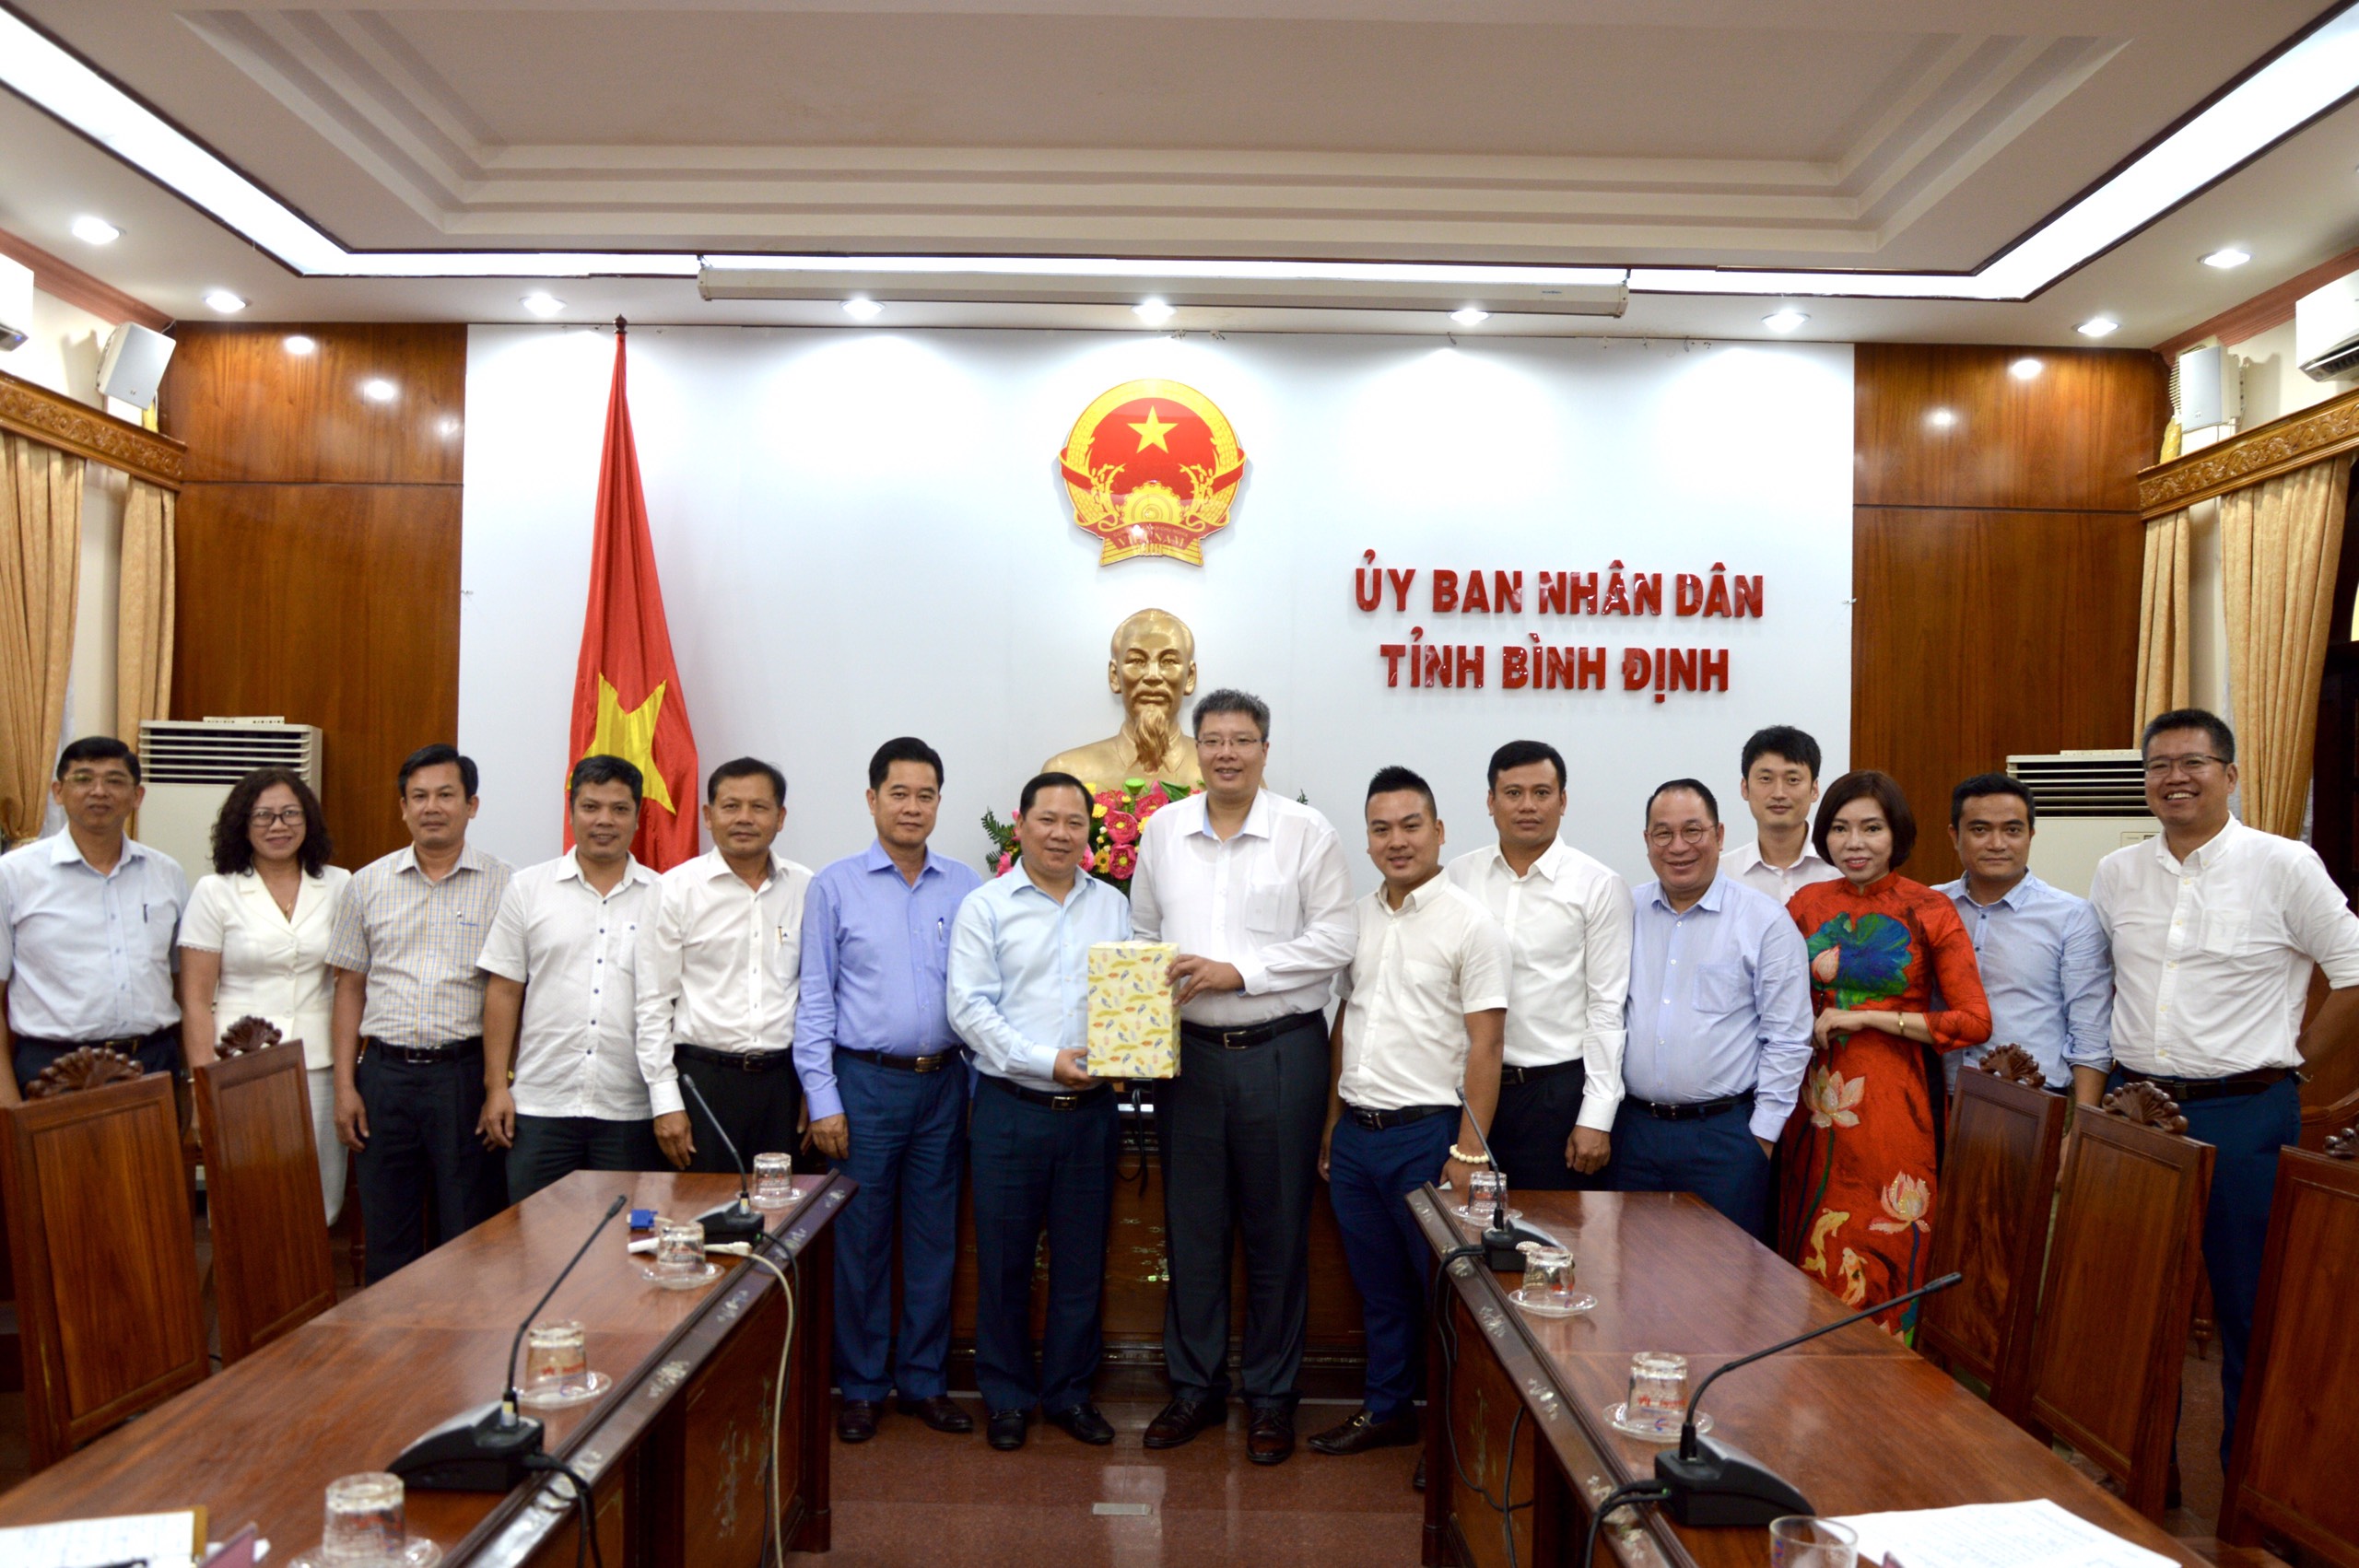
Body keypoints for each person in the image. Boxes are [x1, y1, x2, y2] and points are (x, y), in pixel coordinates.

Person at [2090, 708, 2359, 1466]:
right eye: (2159, 766)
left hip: (2246, 1114)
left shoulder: (2285, 865)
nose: (2174, 778)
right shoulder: (2117, 873)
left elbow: (2353, 972)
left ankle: (2247, 1476)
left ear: (2230, 775)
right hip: (2138, 1109)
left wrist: (2298, 1067)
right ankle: (2145, 1468)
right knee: (2136, 1300)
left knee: (2248, 1302)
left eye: (2193, 763)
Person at [1130, 688, 1356, 1466]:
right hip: (1188, 1060)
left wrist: (1241, 972)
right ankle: (1194, 1388)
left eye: (1242, 740)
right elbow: (1142, 935)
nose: (1227, 752)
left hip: (1281, 1053)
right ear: (1196, 748)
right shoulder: (1162, 831)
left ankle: (1271, 1397)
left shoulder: (1305, 833)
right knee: (1191, 1230)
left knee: (1277, 1230)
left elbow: (1337, 938)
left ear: (1265, 749)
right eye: (1214, 739)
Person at [1311, 766, 1508, 1459]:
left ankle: (1449, 1441)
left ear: (1439, 831)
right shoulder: (1356, 918)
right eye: (1381, 829)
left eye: (1410, 826)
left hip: (1428, 1138)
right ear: (1368, 840)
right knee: (1380, 1291)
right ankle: (1387, 1410)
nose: (1397, 841)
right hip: (1357, 1139)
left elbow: (1487, 1044)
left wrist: (1469, 1152)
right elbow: (1346, 1020)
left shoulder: (1471, 923)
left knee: (1443, 1296)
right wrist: (1332, 1122)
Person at [796, 738, 982, 1444]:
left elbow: (981, 993)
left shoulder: (965, 886)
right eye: (898, 793)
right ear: (872, 799)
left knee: (935, 1240)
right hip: (864, 1084)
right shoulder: (834, 886)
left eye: (925, 795)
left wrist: (974, 1089)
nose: (912, 807)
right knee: (862, 1243)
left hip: (945, 1085)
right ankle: (863, 1386)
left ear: (939, 802)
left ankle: (925, 1382)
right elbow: (815, 999)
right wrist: (823, 1098)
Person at [948, 771, 1129, 1452]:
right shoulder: (985, 907)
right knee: (1004, 1262)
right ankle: (1006, 1397)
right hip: (1010, 1108)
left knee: (1082, 1261)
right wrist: (1045, 1060)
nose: (1060, 833)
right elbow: (969, 1009)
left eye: (1074, 822)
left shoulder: (1112, 906)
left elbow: (1130, 996)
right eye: (1047, 820)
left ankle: (1070, 1394)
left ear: (1090, 833)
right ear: (1020, 825)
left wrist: (1129, 1052)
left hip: (1091, 1115)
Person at [1778, 771, 1989, 1333]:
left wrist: (1868, 1017)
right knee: (1811, 1230)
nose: (1855, 843)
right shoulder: (1805, 904)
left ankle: (1887, 1368)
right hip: (1809, 1100)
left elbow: (1973, 1021)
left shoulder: (1929, 908)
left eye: (1871, 828)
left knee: (1883, 1232)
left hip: (1896, 1103)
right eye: (1840, 828)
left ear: (1897, 833)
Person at [329, 744, 514, 1281]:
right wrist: (345, 1087)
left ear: (471, 805)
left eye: (446, 795)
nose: (432, 807)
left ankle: (465, 1335)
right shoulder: (366, 884)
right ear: (403, 807)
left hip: (464, 1077)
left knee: (469, 1231)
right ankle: (393, 1334)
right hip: (384, 1077)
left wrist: (498, 1084)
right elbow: (349, 988)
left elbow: (511, 993)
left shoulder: (507, 885)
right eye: (419, 796)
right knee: (389, 1231)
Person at [1607, 779, 1812, 1242]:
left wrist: (1760, 1138)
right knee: (1632, 1267)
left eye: (1693, 831)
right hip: (1634, 1135)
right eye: (1663, 833)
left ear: (1719, 836)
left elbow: (1788, 1038)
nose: (1678, 846)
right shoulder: (1624, 911)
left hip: (1725, 1138)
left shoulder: (1764, 921)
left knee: (1725, 1274)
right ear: (1647, 841)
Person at [475, 755, 663, 1204]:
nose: (604, 820)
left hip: (630, 1108)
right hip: (541, 1105)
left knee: (623, 1240)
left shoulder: (664, 895)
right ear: (572, 810)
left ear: (638, 816)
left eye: (619, 809)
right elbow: (504, 991)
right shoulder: (528, 888)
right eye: (591, 807)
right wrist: (497, 1087)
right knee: (535, 1238)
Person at [1445, 739, 1628, 1190]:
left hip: (1553, 1096)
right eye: (1513, 793)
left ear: (1562, 801)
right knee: (1464, 1225)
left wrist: (1597, 1115)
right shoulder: (1458, 877)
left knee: (1551, 1229)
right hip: (1464, 1091)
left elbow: (1607, 1008)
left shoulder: (1598, 885)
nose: (1527, 805)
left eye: (1541, 793)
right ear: (1491, 802)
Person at [179, 766, 350, 1222]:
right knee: (247, 1195)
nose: (278, 826)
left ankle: (311, 1269)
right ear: (243, 823)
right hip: (239, 1065)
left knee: (317, 1197)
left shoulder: (339, 885)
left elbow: (351, 983)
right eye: (263, 816)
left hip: (318, 1064)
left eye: (290, 814)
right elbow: (195, 999)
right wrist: (200, 1085)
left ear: (308, 821)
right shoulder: (215, 891)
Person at [634, 757, 812, 1181]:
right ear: (708, 816)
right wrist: (666, 1102)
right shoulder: (675, 890)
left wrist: (815, 1088)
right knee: (702, 1212)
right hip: (702, 1084)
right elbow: (653, 1004)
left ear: (780, 817)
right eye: (731, 806)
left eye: (759, 807)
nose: (744, 818)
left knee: (781, 1213)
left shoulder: (807, 887)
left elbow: (818, 996)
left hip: (783, 1085)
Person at [0, 737, 187, 1102]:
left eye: (115, 780)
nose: (99, 791)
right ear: (58, 792)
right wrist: (6, 1102)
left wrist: (187, 1080)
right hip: (52, 1068)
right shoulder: (13, 875)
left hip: (152, 1061)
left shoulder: (167, 873)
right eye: (83, 779)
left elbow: (180, 981)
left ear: (137, 796)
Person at [1936, 774, 2110, 1100]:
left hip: (2031, 1100)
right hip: (1938, 1096)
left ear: (2030, 835)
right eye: (1980, 830)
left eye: (2012, 830)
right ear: (1954, 836)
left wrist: (2083, 1121)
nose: (1997, 844)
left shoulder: (2071, 916)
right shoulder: (1929, 907)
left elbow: (2090, 1030)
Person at [1042, 607, 1203, 788]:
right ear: (1114, 676)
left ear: (1190, 677)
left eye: (1169, 661)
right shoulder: (1068, 775)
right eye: (1137, 661)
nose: (1153, 676)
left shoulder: (1214, 775)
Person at [1724, 726, 1843, 906]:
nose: (1779, 793)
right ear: (1745, 788)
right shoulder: (1723, 875)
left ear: (1814, 789)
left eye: (1792, 780)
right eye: (1766, 779)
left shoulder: (1841, 867)